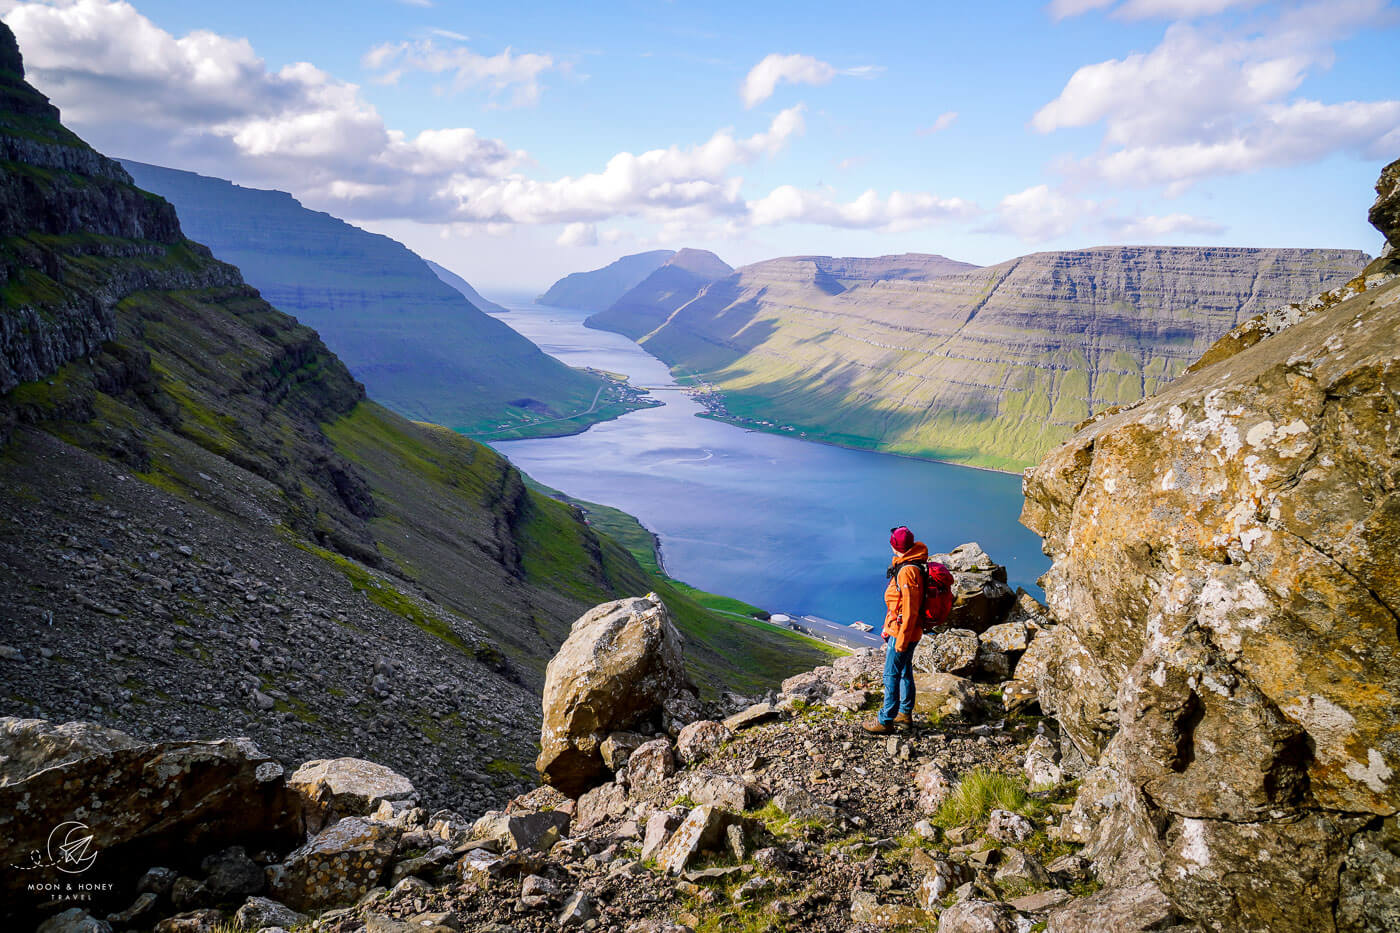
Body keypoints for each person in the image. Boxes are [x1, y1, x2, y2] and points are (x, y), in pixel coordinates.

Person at [863, 525, 927, 735]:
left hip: (903, 633)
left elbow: (909, 609)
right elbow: (898, 605)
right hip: (904, 630)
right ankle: (905, 714)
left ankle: (886, 719)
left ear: (894, 546)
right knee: (905, 672)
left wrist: (901, 640)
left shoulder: (907, 571)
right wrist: (886, 627)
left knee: (891, 674)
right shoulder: (912, 563)